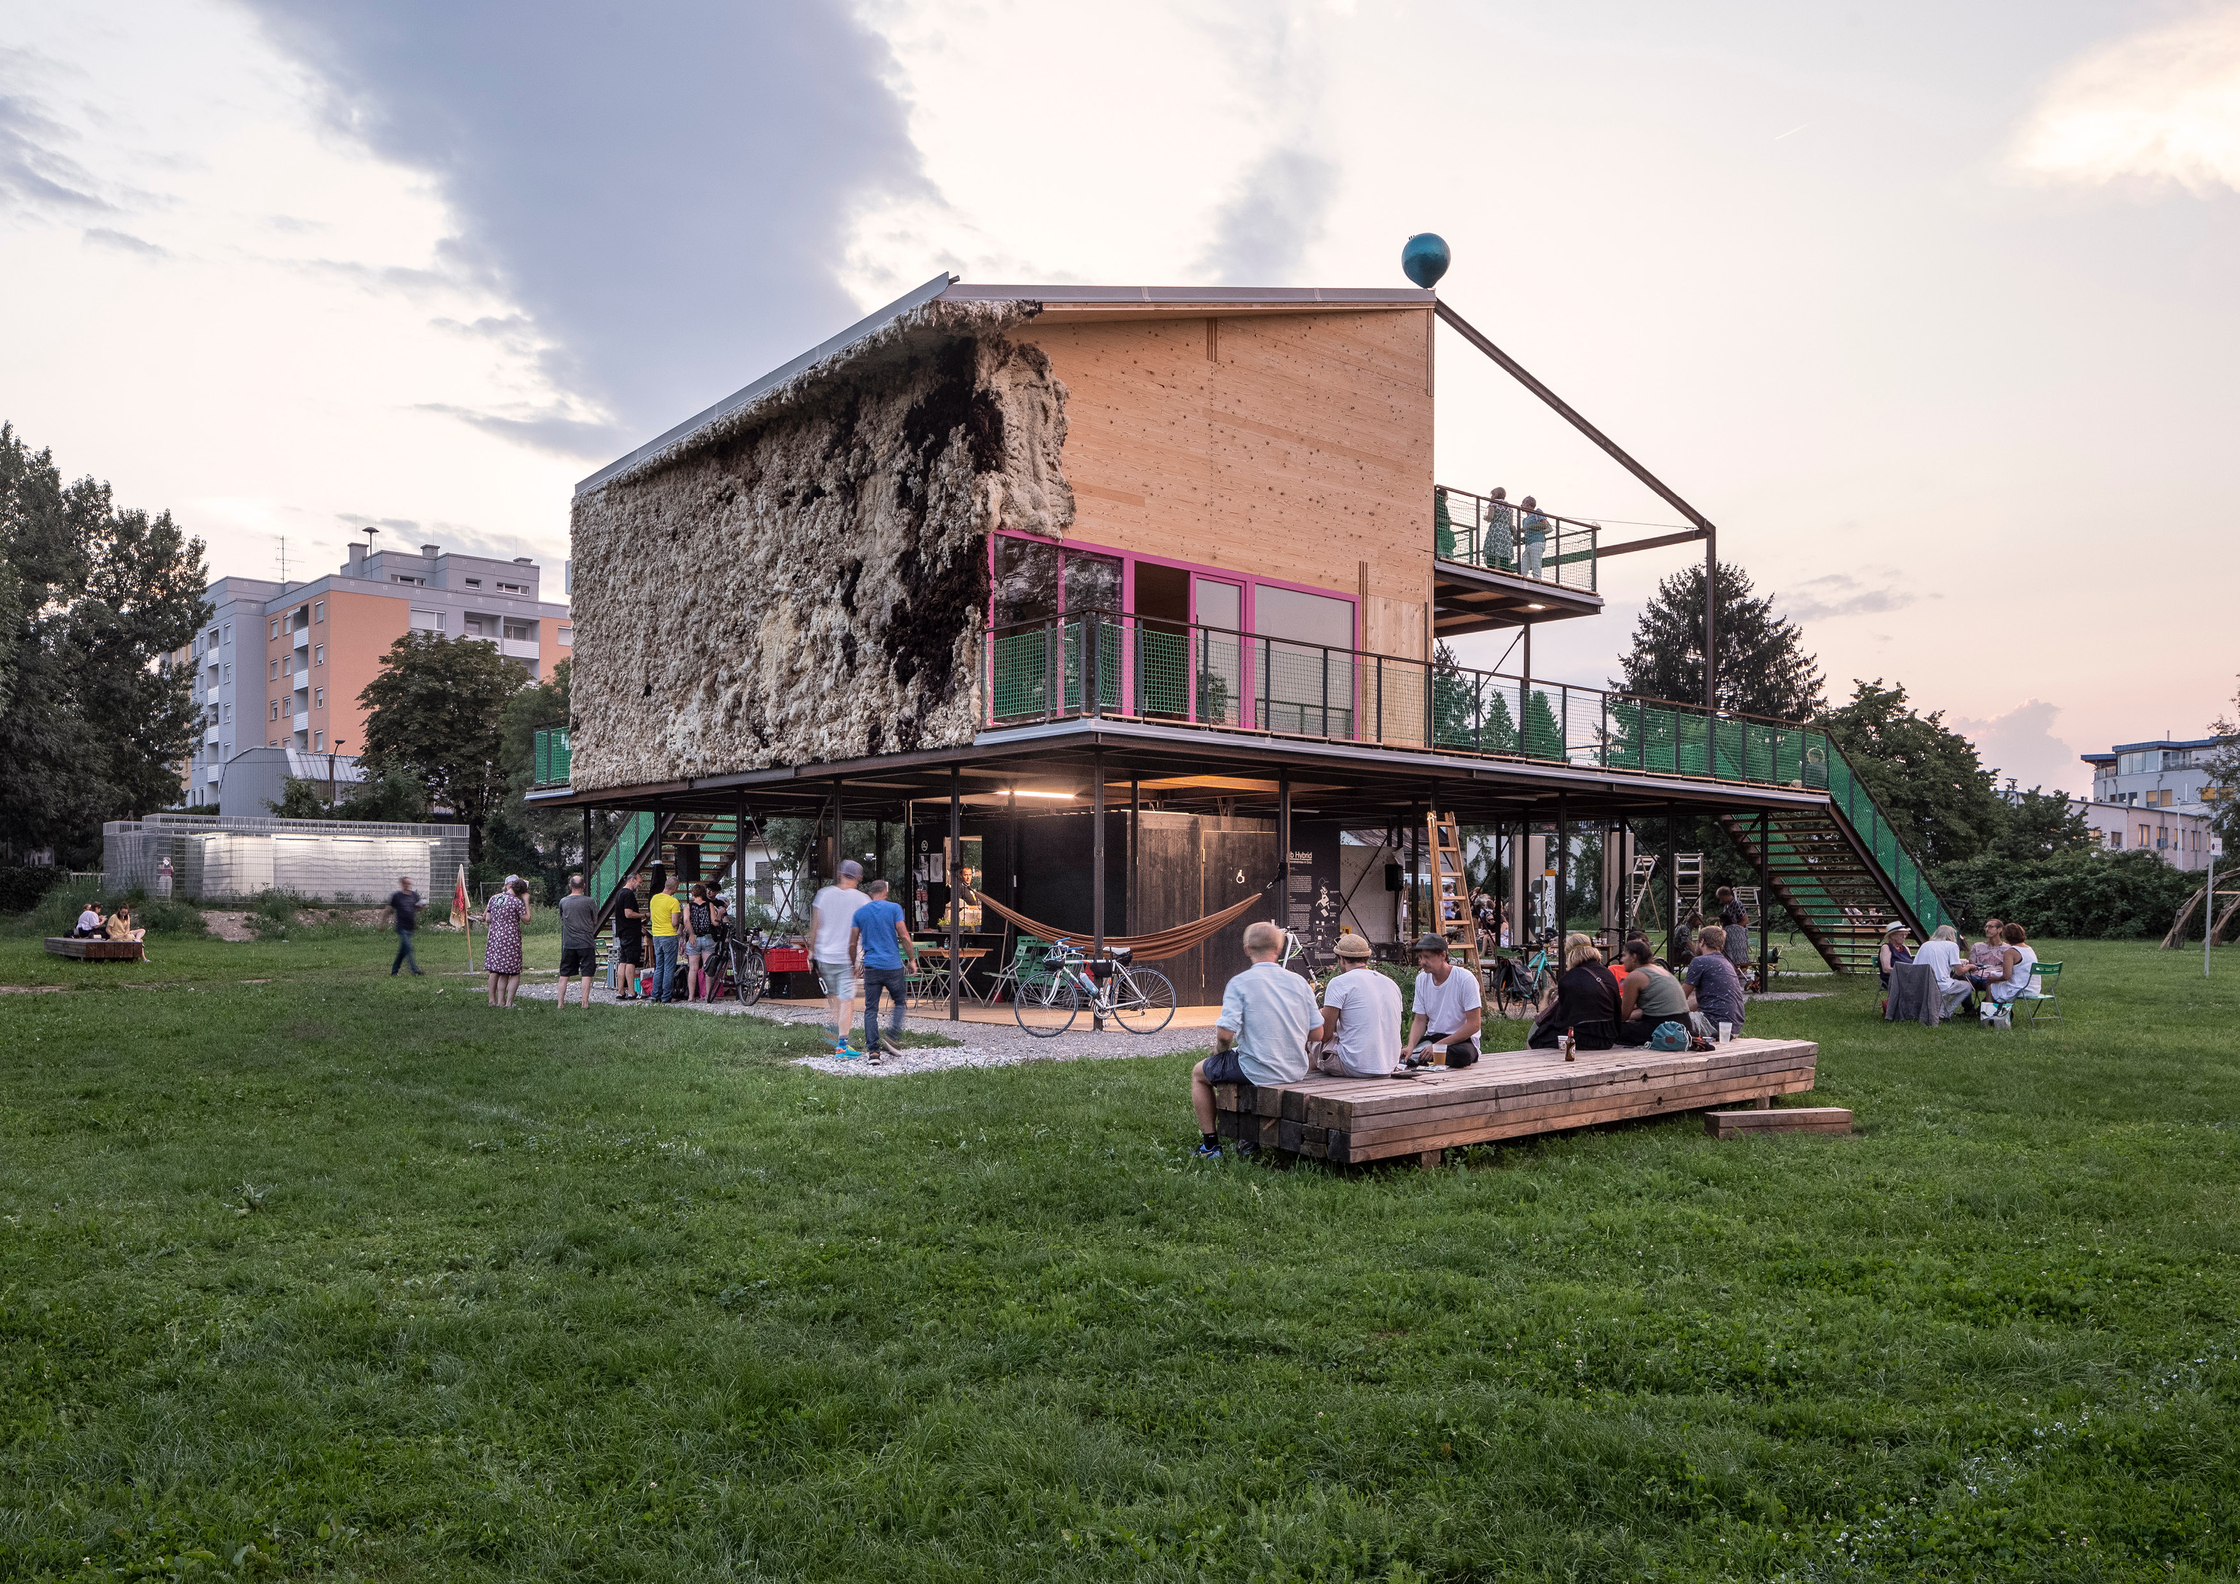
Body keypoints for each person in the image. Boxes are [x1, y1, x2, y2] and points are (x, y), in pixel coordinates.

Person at [1190, 919, 1319, 1158]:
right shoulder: (1299, 982)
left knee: (1199, 1074)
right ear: (1279, 949)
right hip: (1295, 1069)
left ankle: (1210, 1145)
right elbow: (1318, 1033)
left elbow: (1225, 1034)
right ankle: (1248, 1139)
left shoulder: (1240, 983)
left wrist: (1219, 1051)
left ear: (1247, 949)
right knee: (1240, 1063)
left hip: (1257, 1069)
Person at [1311, 934, 1403, 1078]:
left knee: (1313, 1038)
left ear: (1341, 958)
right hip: (1389, 1065)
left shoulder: (1339, 983)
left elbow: (1325, 1035)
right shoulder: (1391, 984)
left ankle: (1308, 1080)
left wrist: (1319, 1014)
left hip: (1354, 1066)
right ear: (1366, 958)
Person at [850, 878, 915, 1061]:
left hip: (872, 966)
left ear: (871, 893)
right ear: (885, 892)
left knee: (871, 1009)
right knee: (900, 1002)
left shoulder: (860, 913)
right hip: (893, 966)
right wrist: (911, 959)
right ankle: (892, 1037)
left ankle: (873, 1052)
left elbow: (852, 943)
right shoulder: (894, 908)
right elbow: (904, 936)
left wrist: (853, 965)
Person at [811, 859, 868, 1054]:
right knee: (846, 1001)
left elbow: (815, 926)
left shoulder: (824, 895)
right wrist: (860, 958)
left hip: (825, 955)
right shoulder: (862, 900)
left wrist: (812, 952)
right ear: (859, 877)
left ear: (839, 874)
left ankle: (833, 1029)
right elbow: (864, 931)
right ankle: (842, 1045)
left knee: (834, 996)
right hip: (847, 958)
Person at [1529, 932, 1622, 1050]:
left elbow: (1563, 1019)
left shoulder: (1568, 980)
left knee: (1535, 1039)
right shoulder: (1607, 974)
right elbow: (1617, 1009)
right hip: (1607, 1037)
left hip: (1581, 1037)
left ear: (1570, 954)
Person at [1405, 932, 1483, 1068]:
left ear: (1443, 955)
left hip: (1462, 1039)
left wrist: (1438, 1046)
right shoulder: (1421, 979)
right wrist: (1410, 1046)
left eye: (1427, 957)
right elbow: (1419, 1019)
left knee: (1463, 1055)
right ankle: (1423, 1057)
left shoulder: (1465, 979)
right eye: (1420, 957)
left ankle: (1429, 1057)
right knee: (1410, 1054)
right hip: (1433, 1037)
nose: (1422, 962)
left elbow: (1474, 1025)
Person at [1614, 938, 1692, 1045]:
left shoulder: (1635, 976)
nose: (1622, 960)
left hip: (1663, 1028)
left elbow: (1623, 1016)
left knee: (1609, 1029)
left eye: (1624, 955)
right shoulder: (1660, 970)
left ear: (1634, 957)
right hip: (1684, 1026)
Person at [1685, 924, 1747, 1037]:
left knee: (1666, 1021)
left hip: (1713, 1025)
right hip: (1732, 1028)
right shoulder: (1726, 963)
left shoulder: (1699, 961)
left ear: (1702, 942)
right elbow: (1699, 1001)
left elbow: (1680, 996)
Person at [1910, 924, 1974, 1021]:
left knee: (1948, 984)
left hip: (1921, 983)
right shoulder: (1952, 946)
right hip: (1940, 984)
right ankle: (1947, 1013)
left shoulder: (1925, 945)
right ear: (1951, 936)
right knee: (1967, 986)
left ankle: (1940, 1012)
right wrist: (1969, 966)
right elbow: (1959, 972)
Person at [484, 876, 529, 1008]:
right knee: (513, 971)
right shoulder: (516, 902)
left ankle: (493, 1001)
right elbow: (527, 920)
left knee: (495, 970)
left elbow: (487, 918)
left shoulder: (494, 898)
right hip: (510, 939)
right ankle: (507, 1003)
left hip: (494, 937)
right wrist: (526, 901)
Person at [556, 873, 598, 1009]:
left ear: (570, 886)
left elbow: (562, 918)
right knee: (586, 973)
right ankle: (584, 1003)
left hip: (569, 943)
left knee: (564, 973)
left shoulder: (563, 901)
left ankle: (560, 1004)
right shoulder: (589, 901)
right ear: (584, 886)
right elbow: (595, 920)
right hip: (586, 942)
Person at [1985, 922, 2038, 1016]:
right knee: (1996, 983)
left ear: (2006, 936)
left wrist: (1994, 978)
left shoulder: (2010, 952)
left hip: (2020, 989)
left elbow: (2006, 976)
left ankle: (1989, 1015)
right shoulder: (2029, 949)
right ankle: (1995, 1011)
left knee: (1991, 984)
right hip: (2033, 988)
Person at [647, 874, 683, 1004]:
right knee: (669, 967)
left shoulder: (654, 898)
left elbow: (651, 918)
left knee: (659, 966)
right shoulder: (673, 902)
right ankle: (666, 996)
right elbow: (674, 922)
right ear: (674, 888)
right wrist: (680, 919)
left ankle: (655, 994)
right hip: (669, 935)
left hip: (656, 935)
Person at [682, 882, 719, 1002]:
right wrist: (720, 914)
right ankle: (708, 995)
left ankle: (691, 996)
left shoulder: (688, 906)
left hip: (694, 939)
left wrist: (691, 933)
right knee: (708, 969)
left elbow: (686, 920)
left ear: (693, 894)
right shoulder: (710, 905)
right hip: (707, 938)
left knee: (693, 969)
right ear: (703, 893)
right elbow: (715, 922)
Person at [613, 872, 646, 1000]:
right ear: (632, 880)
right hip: (631, 932)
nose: (640, 885)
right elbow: (628, 913)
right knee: (631, 961)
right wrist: (643, 915)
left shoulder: (619, 893)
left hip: (622, 931)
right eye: (639, 882)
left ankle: (620, 991)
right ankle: (632, 992)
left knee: (623, 961)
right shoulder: (628, 894)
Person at [387, 874, 424, 976]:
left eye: (409, 883)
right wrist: (383, 922)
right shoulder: (397, 896)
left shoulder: (414, 895)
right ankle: (415, 970)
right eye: (406, 883)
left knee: (403, 950)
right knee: (408, 947)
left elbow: (418, 907)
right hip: (401, 926)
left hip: (410, 926)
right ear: (402, 884)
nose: (408, 885)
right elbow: (388, 909)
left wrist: (421, 906)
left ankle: (394, 971)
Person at [1716, 886, 1750, 973]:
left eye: (1721, 898)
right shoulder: (1726, 907)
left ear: (1726, 895)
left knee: (1740, 958)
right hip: (1729, 937)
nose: (1721, 901)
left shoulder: (1737, 904)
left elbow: (1745, 920)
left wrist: (1734, 930)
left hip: (1739, 937)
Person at [1518, 495, 1550, 577]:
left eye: (1523, 502)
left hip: (1537, 542)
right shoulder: (1524, 520)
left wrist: (1528, 527)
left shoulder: (1537, 512)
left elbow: (1544, 525)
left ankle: (1537, 582)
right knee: (1523, 570)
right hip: (1528, 544)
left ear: (1528, 504)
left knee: (1536, 566)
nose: (1521, 505)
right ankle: (1522, 582)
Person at [1486, 486, 1516, 569]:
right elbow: (1511, 524)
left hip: (1495, 530)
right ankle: (1505, 570)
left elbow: (1490, 517)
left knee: (1492, 551)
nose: (1491, 497)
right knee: (1504, 553)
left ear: (1495, 494)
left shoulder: (1493, 503)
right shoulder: (1509, 507)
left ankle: (1490, 569)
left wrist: (1486, 518)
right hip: (1506, 532)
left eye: (1492, 495)